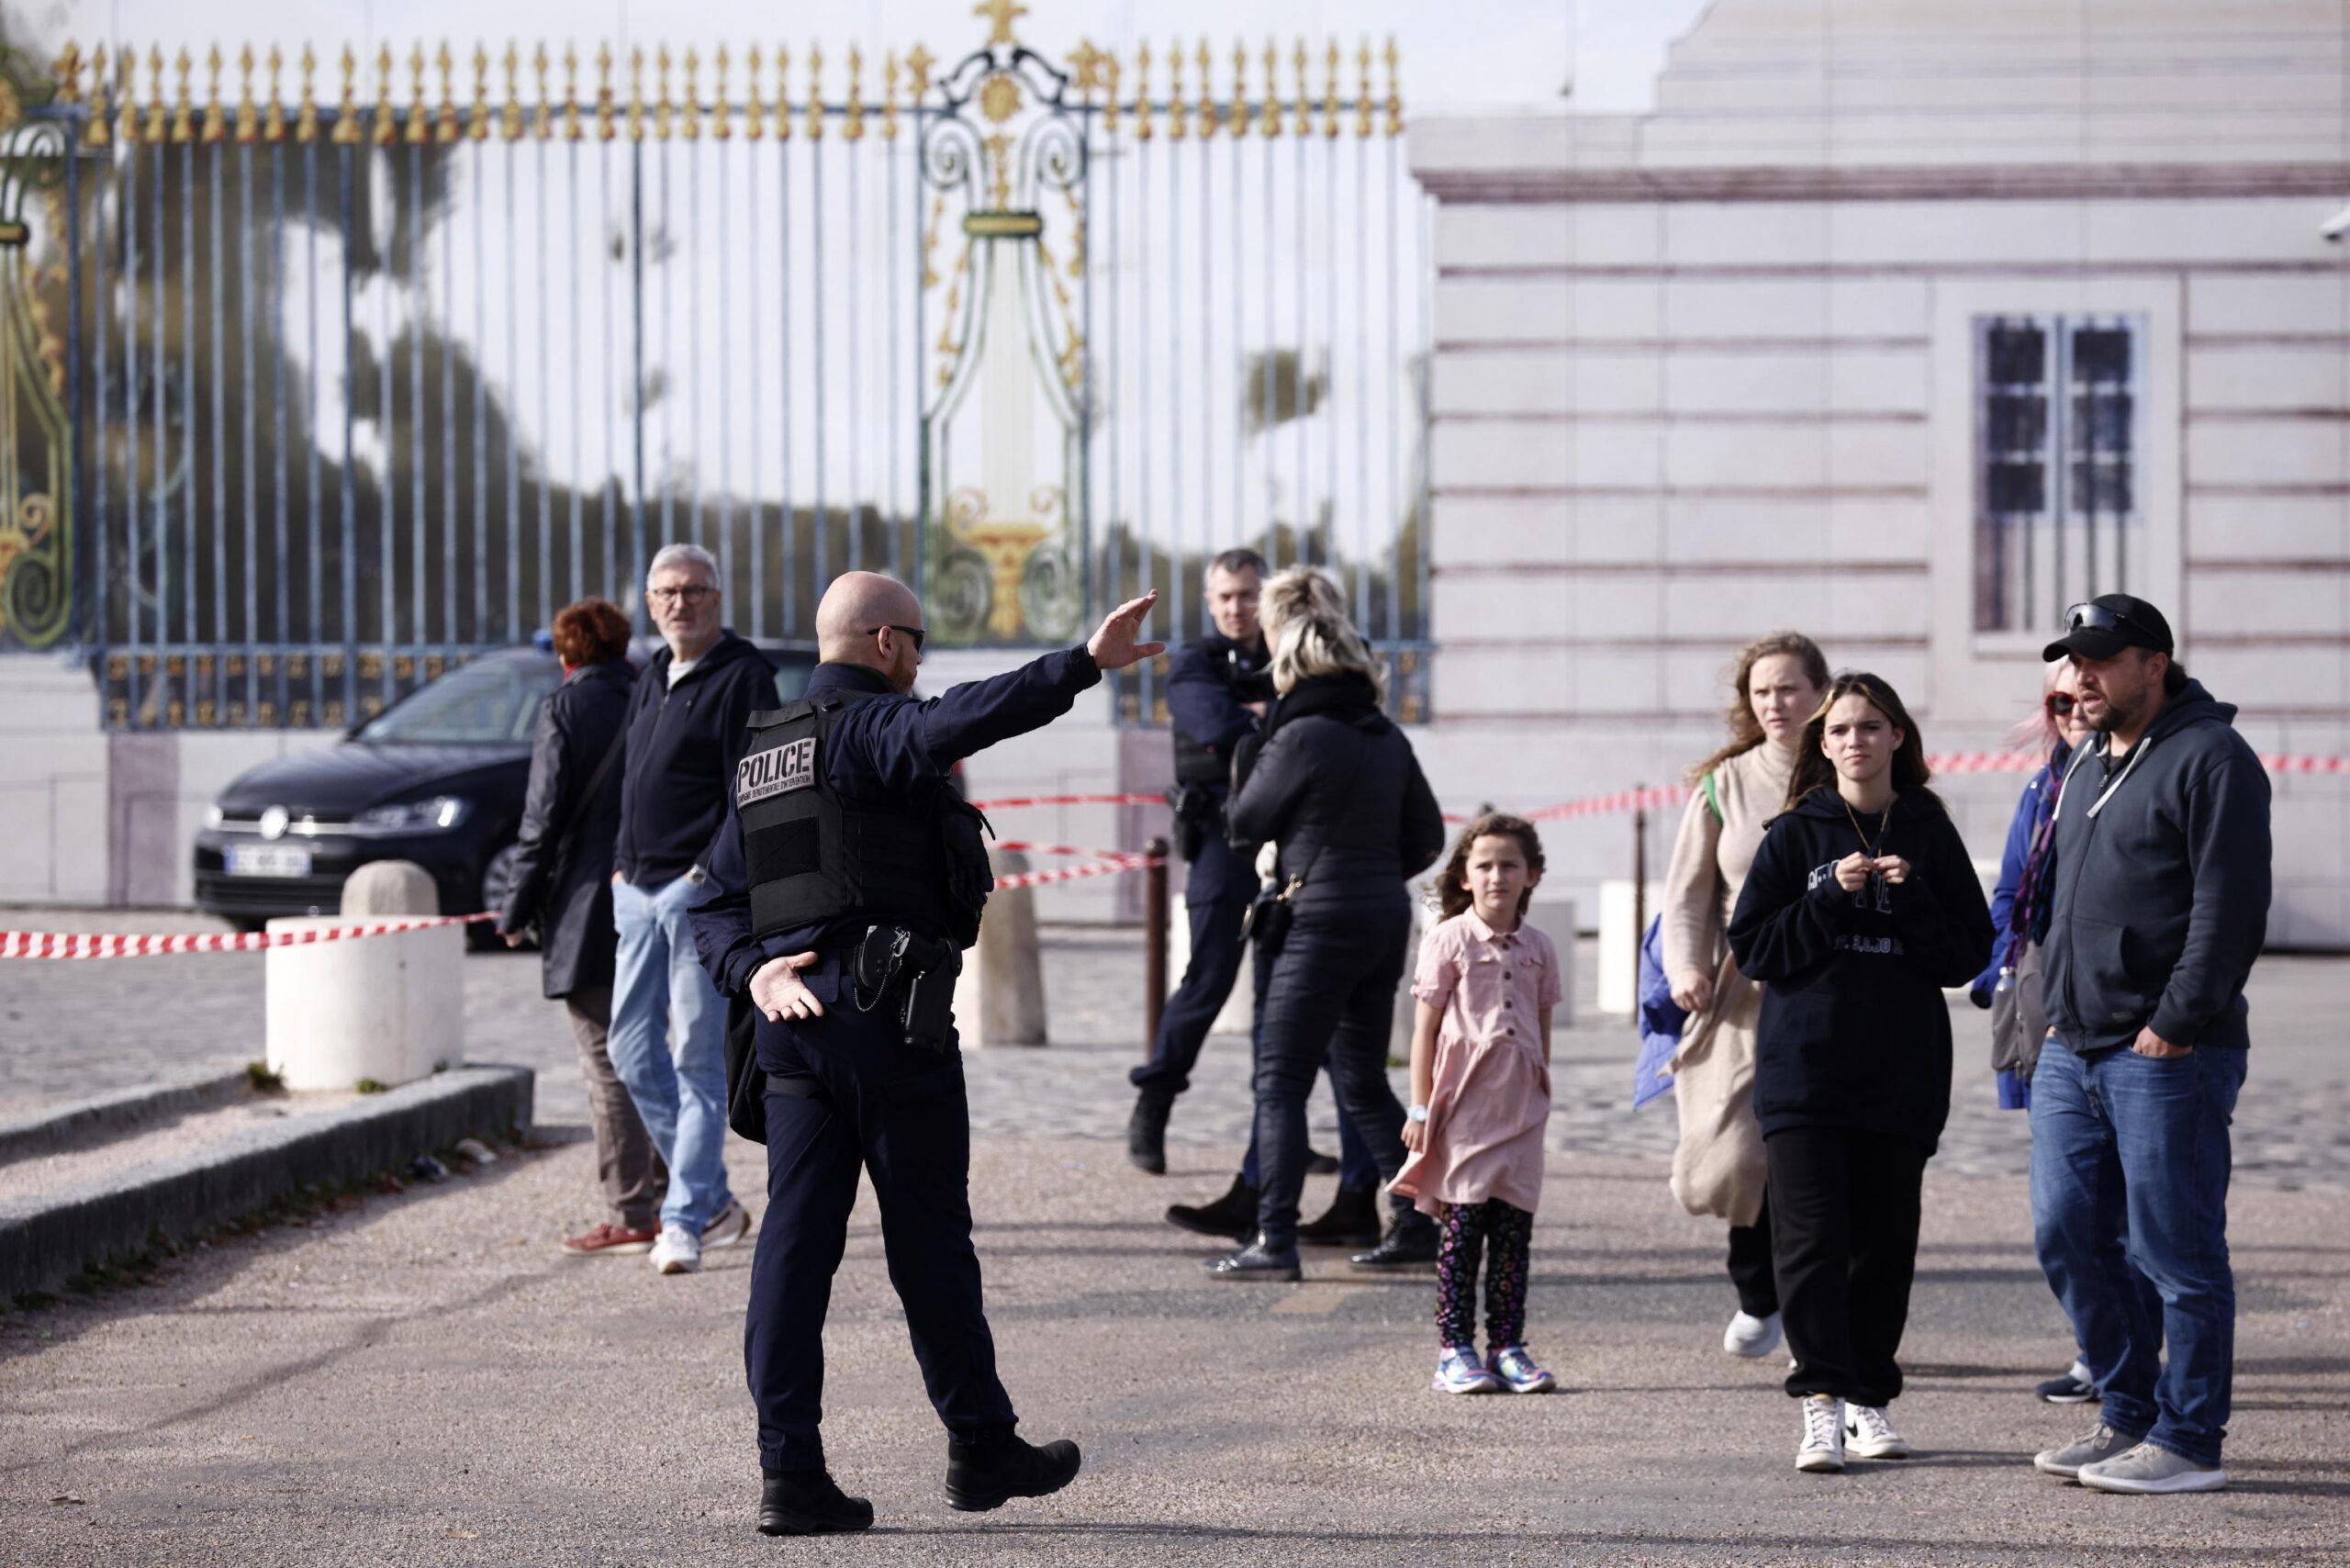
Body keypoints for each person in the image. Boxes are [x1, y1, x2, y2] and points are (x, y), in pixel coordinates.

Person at [689, 570, 1166, 1536]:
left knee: (794, 1251)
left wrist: (755, 975)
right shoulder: (868, 730)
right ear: (884, 643)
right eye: (917, 643)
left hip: (793, 1036)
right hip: (884, 1024)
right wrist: (1080, 664)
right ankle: (980, 1445)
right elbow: (958, 723)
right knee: (930, 1246)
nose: (923, 665)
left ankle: (791, 1475)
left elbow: (708, 902)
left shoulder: (763, 754)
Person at [2027, 595, 2271, 1497]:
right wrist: (2057, 1005)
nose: (2080, 677)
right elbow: (2065, 894)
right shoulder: (2088, 758)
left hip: (2166, 1051)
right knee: (2068, 1233)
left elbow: (2228, 909)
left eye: (2099, 659)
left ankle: (2189, 1436)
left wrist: (2173, 1022)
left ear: (2153, 663)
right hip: (2073, 1044)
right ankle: (2127, 1412)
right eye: (2072, 661)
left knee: (2174, 1251)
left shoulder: (2213, 759)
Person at [1727, 672, 1992, 1473]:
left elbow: (1968, 955)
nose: (1856, 741)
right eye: (1840, 730)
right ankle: (1819, 1403)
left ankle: (1869, 1400)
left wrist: (1911, 901)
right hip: (1805, 1071)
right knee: (1809, 1244)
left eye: (1871, 727)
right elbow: (1755, 949)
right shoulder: (1796, 832)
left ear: (1898, 738)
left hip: (1900, 1072)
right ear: (1823, 744)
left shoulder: (1929, 831)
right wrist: (1829, 900)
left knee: (1883, 1244)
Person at [1203, 567, 1449, 1281]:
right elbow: (1428, 836)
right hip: (1381, 917)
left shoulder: (1302, 734)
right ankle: (1415, 1221)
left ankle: (1273, 1240)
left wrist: (1248, 759)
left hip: (1317, 920)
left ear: (1291, 660)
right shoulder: (1385, 735)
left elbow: (1246, 822)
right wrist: (1371, 873)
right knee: (1363, 1077)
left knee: (1279, 1080)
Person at [1972, 661, 2145, 1407]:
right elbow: (2011, 891)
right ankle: (2103, 1352)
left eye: (2084, 691)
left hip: (2137, 1032)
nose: (2073, 706)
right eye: (2058, 698)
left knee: (2138, 1217)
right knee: (2067, 1215)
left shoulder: (2156, 770)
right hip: (2048, 1021)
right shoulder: (2045, 787)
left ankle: (2134, 1372)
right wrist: (1997, 970)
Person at [1658, 632, 1830, 1361]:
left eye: (1788, 688)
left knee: (1816, 1153)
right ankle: (1756, 1290)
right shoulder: (1722, 784)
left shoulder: (1850, 769)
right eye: (1762, 691)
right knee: (1735, 1152)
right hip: (1743, 989)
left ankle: (1816, 1310)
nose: (1775, 703)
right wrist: (1684, 970)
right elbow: (1689, 895)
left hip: (1829, 986)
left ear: (1821, 693)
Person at [608, 543, 774, 1276]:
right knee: (629, 1051)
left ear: (718, 597)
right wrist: (619, 865)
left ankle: (682, 1220)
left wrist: (706, 873)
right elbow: (631, 779)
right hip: (635, 893)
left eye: (696, 591)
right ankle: (712, 1198)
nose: (682, 603)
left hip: (696, 896)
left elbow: (755, 790)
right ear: (649, 602)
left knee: (694, 1061)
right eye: (668, 592)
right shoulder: (650, 676)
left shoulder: (745, 677)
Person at [496, 599, 667, 1256]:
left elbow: (540, 825)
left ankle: (632, 1210)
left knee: (607, 1064)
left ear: (566, 655)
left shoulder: (563, 710)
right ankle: (686, 1191)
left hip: (586, 910)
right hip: (651, 896)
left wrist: (515, 910)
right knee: (650, 1051)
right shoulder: (653, 698)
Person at [1392, 813, 1562, 1395]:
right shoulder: (1448, 939)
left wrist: (1542, 1086)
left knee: (1514, 1236)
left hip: (1522, 1114)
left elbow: (1542, 1025)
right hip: (1464, 1110)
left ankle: (1508, 1346)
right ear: (1465, 877)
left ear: (1531, 875)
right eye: (1484, 866)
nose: (1497, 876)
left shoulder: (1540, 947)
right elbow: (1424, 1032)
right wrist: (1419, 1110)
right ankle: (1454, 1349)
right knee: (1463, 1235)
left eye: (1509, 865)